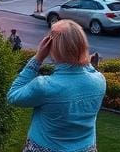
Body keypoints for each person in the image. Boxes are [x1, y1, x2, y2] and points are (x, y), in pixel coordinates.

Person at [7, 19, 106, 152]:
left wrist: (38, 58)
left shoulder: (45, 86)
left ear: (51, 48)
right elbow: (88, 70)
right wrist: (83, 58)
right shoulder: (99, 81)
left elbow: (13, 95)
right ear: (83, 45)